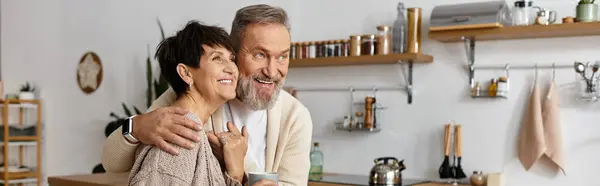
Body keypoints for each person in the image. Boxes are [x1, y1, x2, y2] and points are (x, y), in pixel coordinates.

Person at [102, 4, 313, 186]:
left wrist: (238, 172)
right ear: (236, 51)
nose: (272, 70)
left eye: (283, 57)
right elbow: (112, 162)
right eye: (260, 54)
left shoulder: (295, 116)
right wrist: (137, 127)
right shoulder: (185, 108)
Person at [128, 20, 263, 186]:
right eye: (217, 59)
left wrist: (234, 173)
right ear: (185, 73)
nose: (231, 69)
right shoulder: (178, 140)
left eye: (231, 59)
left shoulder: (193, 133)